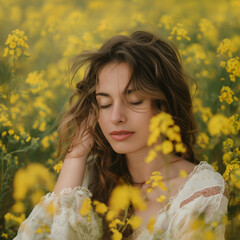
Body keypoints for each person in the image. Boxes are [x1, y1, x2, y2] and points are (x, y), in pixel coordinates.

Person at [14, 30, 229, 240]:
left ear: (164, 106)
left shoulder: (200, 193)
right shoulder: (88, 177)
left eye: (135, 101)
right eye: (104, 104)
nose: (116, 117)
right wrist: (76, 154)